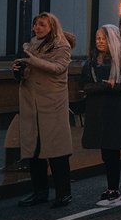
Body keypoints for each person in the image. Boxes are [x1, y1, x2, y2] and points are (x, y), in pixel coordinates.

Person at [15, 13, 76, 208]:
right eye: (35, 24)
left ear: (52, 27)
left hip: (52, 105)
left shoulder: (61, 46)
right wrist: (19, 70)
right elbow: (30, 70)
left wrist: (31, 61)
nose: (37, 28)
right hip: (31, 105)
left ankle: (63, 193)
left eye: (42, 25)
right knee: (34, 150)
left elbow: (58, 68)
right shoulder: (31, 45)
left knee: (57, 151)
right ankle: (39, 192)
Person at [81, 24, 121, 206]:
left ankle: (114, 189)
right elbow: (85, 86)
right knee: (105, 150)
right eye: (97, 38)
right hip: (96, 109)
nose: (100, 42)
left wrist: (111, 86)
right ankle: (112, 187)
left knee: (113, 149)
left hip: (115, 109)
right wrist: (104, 85)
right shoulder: (91, 61)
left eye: (104, 38)